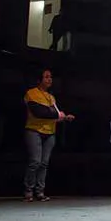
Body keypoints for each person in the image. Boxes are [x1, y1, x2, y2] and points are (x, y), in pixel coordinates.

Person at [23, 69, 74, 201]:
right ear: (39, 80)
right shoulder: (32, 93)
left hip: (50, 133)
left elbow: (53, 117)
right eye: (46, 77)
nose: (49, 79)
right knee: (35, 161)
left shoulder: (51, 97)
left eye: (50, 77)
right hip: (34, 131)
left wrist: (64, 118)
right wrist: (57, 114)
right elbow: (39, 112)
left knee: (44, 163)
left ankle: (40, 192)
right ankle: (28, 191)